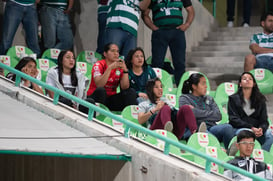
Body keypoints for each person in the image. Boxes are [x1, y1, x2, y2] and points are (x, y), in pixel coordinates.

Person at [141, 0, 194, 86]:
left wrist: (187, 24)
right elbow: (145, 14)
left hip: (177, 32)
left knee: (180, 63)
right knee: (157, 63)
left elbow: (191, 11)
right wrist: (153, 28)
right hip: (160, 32)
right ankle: (155, 89)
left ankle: (180, 90)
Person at [179, 73, 234, 149]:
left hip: (212, 128)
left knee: (227, 127)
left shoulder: (209, 98)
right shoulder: (184, 98)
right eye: (203, 84)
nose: (206, 86)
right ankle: (219, 150)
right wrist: (210, 114)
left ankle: (230, 151)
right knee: (204, 133)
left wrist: (196, 111)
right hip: (196, 129)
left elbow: (218, 116)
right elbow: (190, 114)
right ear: (194, 86)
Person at [228, 72, 273, 151]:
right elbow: (233, 119)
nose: (247, 80)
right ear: (240, 84)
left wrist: (261, 129)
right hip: (240, 128)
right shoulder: (233, 99)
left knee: (269, 134)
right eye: (244, 79)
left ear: (254, 84)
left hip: (257, 130)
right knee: (248, 133)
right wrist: (251, 127)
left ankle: (262, 155)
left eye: (250, 79)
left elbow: (264, 120)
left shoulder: (260, 100)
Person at [86, 43, 137, 111]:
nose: (116, 53)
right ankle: (99, 115)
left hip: (110, 99)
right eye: (113, 51)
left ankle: (131, 117)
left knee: (131, 92)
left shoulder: (119, 67)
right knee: (101, 91)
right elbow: (99, 84)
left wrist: (125, 70)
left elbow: (125, 87)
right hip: (96, 97)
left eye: (117, 51)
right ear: (105, 54)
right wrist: (109, 68)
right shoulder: (98, 65)